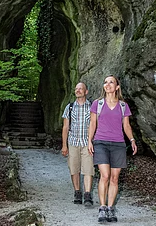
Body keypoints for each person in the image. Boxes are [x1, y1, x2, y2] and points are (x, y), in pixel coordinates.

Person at [88, 75, 137, 223]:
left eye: (111, 82)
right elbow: (92, 124)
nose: (107, 84)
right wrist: (89, 141)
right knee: (105, 175)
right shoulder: (98, 103)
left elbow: (126, 126)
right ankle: (102, 208)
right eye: (105, 82)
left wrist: (132, 140)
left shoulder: (123, 106)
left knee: (115, 178)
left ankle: (110, 208)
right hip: (101, 142)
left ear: (117, 87)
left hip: (118, 144)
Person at [62, 82, 94, 207]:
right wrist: (64, 145)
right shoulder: (69, 107)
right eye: (76, 89)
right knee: (74, 168)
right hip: (73, 142)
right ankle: (77, 192)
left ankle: (87, 194)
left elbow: (95, 125)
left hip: (87, 143)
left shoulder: (92, 107)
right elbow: (65, 127)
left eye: (81, 89)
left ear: (86, 92)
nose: (78, 90)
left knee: (88, 169)